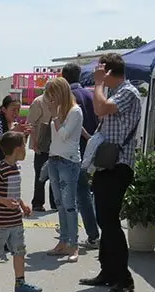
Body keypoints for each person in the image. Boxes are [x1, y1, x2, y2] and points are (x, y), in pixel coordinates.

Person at [79, 54, 141, 292]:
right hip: (108, 164)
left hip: (119, 164)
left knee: (110, 221)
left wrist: (98, 83)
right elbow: (100, 109)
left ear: (108, 71)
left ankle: (124, 278)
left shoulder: (128, 92)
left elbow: (100, 108)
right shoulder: (118, 92)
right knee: (105, 220)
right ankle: (108, 271)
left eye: (100, 70)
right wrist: (100, 85)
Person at [0, 132, 42, 292]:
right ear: (17, 149)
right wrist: (3, 201)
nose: (25, 149)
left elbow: (14, 192)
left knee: (19, 251)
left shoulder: (16, 167)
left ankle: (20, 283)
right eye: (24, 146)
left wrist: (22, 205)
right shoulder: (0, 168)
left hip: (15, 220)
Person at [62, 63, 101, 249]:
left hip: (73, 150)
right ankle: (73, 228)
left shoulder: (69, 97)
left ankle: (91, 234)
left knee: (79, 193)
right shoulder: (91, 95)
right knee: (83, 191)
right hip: (91, 149)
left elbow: (73, 123)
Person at [44, 78, 83, 261]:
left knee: (69, 205)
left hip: (69, 161)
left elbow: (64, 135)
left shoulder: (75, 111)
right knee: (59, 203)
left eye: (53, 95)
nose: (51, 99)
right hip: (54, 159)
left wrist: (55, 116)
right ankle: (63, 241)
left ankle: (73, 245)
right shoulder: (60, 111)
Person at [0, 96, 30, 181]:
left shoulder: (14, 124)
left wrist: (24, 135)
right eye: (13, 110)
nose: (16, 113)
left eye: (18, 110)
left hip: (9, 166)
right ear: (4, 109)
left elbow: (20, 150)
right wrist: (14, 131)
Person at [27, 93, 56, 212]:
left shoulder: (58, 100)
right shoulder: (38, 102)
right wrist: (34, 143)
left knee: (55, 174)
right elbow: (31, 124)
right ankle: (37, 203)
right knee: (40, 175)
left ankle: (55, 202)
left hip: (55, 144)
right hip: (41, 145)